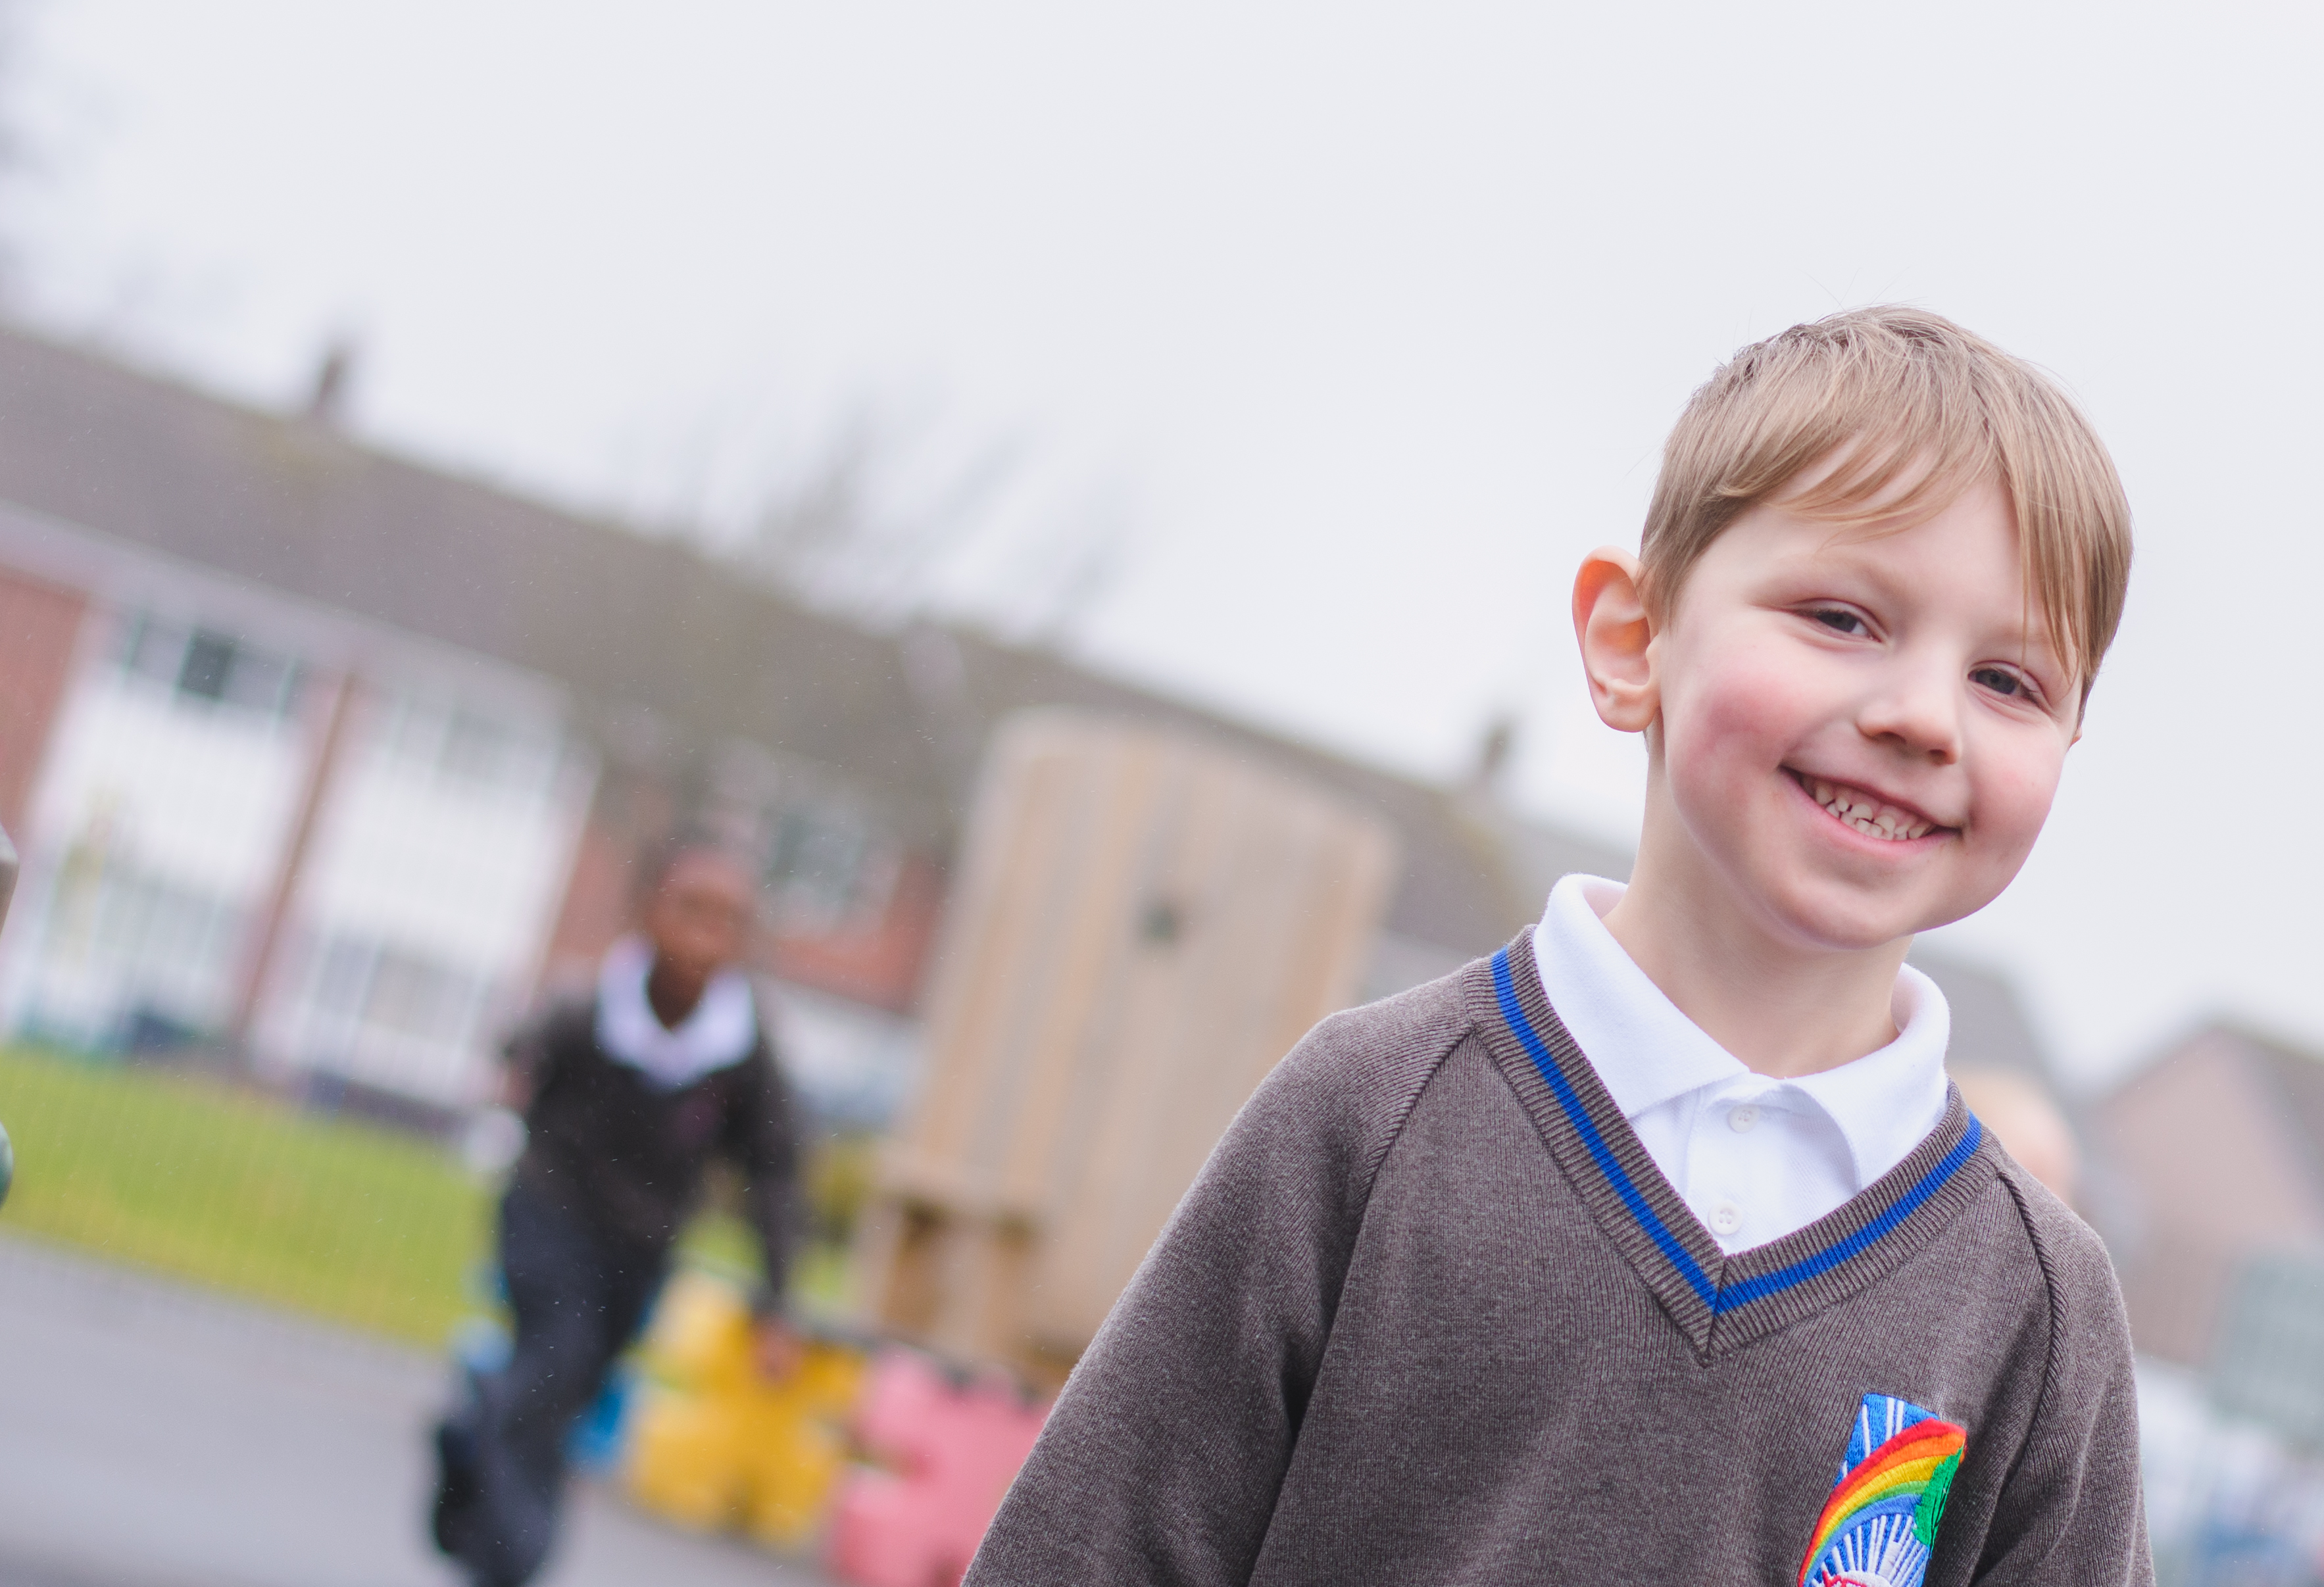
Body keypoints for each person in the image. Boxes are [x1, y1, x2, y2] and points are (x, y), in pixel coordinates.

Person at [968, 308, 2148, 1585]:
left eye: (2010, 682)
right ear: (1633, 639)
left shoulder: (2038, 1311)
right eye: (1843, 618)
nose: (1924, 716)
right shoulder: (1369, 1112)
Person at [432, 834, 805, 1587]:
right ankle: (513, 1561)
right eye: (691, 909)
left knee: (565, 1393)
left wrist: (776, 1303)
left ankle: (470, 1432)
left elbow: (771, 1173)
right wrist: (515, 1077)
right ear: (648, 912)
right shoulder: (589, 1007)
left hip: (641, 1248)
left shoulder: (740, 1046)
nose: (706, 935)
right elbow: (522, 1061)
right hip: (549, 1212)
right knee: (556, 1362)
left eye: (729, 920)